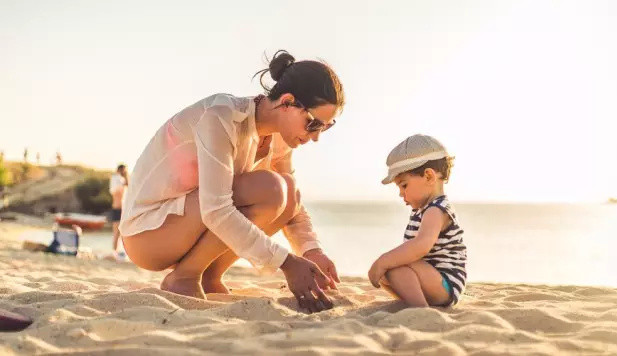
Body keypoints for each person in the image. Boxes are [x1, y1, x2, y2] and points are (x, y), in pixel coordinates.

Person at [119, 50, 344, 313]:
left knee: (288, 191)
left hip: (187, 224)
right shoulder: (222, 116)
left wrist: (310, 251)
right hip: (147, 234)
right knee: (271, 189)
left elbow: (292, 205)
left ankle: (208, 276)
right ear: (287, 102)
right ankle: (184, 277)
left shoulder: (281, 136)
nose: (315, 137)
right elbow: (216, 209)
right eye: (313, 124)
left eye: (325, 127)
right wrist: (287, 263)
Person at [368, 134, 467, 307]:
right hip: (430, 280)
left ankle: (420, 308)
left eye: (404, 185)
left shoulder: (437, 209)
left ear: (429, 177)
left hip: (445, 284)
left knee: (395, 263)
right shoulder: (422, 210)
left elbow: (421, 246)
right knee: (391, 268)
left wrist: (383, 261)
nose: (401, 193)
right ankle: (415, 302)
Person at [109, 164, 128, 260]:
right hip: (117, 208)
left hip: (122, 209)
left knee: (121, 232)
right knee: (116, 232)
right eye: (124, 170)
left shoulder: (121, 180)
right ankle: (114, 252)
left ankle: (118, 251)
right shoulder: (117, 179)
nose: (125, 172)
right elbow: (115, 191)